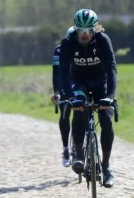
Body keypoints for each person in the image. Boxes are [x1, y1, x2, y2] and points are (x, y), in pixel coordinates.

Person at [59, 9, 117, 188]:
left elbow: (111, 68)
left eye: (88, 30)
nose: (84, 34)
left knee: (106, 119)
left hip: (101, 82)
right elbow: (63, 72)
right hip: (79, 82)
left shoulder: (102, 40)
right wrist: (69, 97)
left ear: (94, 29)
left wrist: (110, 96)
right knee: (79, 109)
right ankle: (78, 156)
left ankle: (106, 167)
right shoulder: (68, 43)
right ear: (75, 29)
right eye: (80, 30)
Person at [51, 26, 75, 167]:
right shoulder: (59, 50)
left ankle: (80, 145)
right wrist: (56, 91)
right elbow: (56, 72)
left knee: (82, 111)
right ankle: (66, 148)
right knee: (65, 114)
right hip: (64, 83)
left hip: (78, 82)